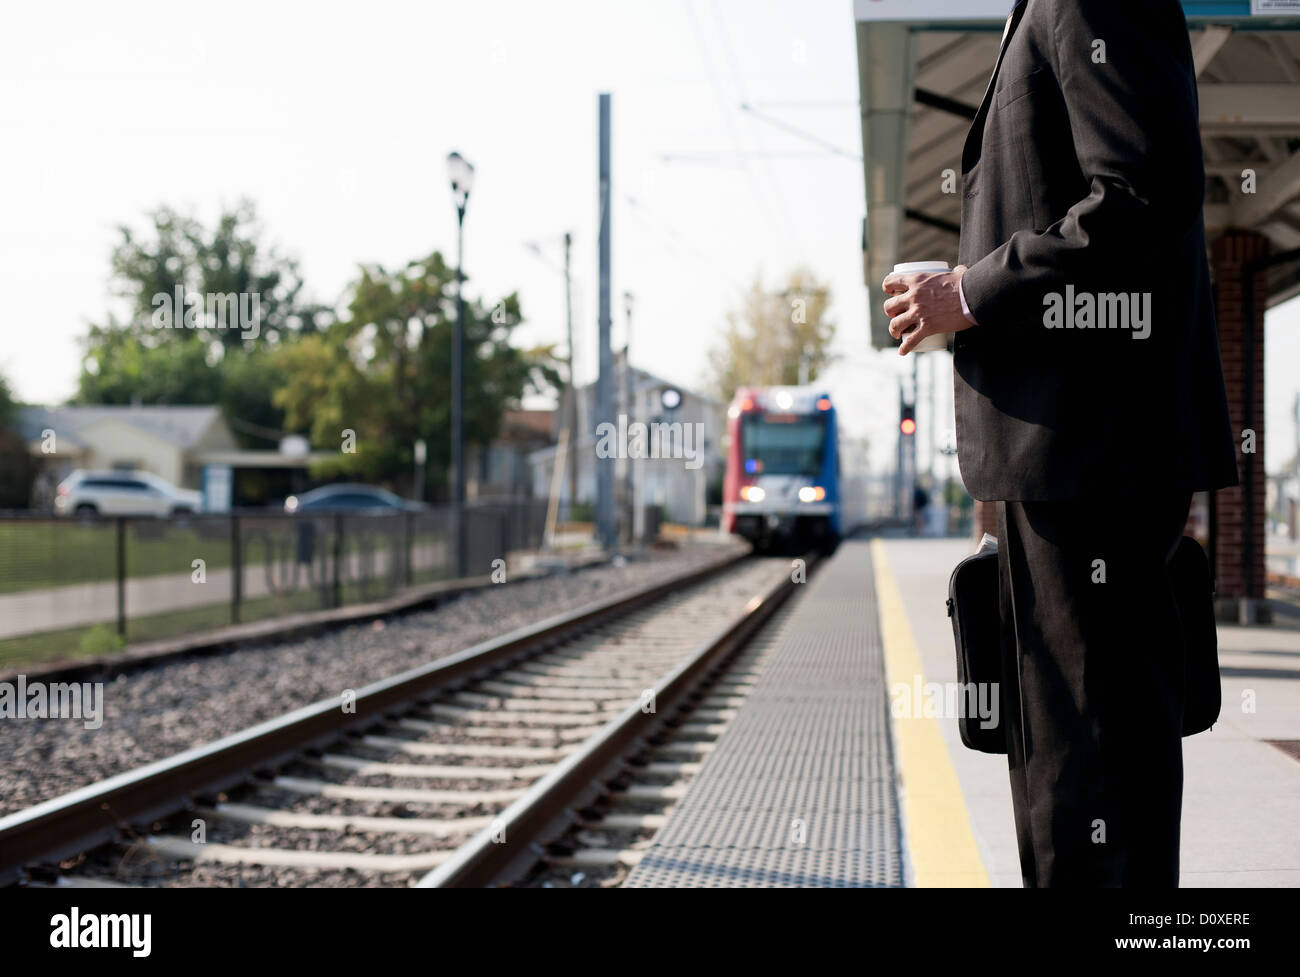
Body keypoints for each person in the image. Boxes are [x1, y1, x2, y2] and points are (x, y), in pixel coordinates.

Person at [881, 0, 1238, 887]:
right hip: (1069, 459)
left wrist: (974, 291)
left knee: (1092, 777)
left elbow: (1142, 193)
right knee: (1065, 770)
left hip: (1093, 456)